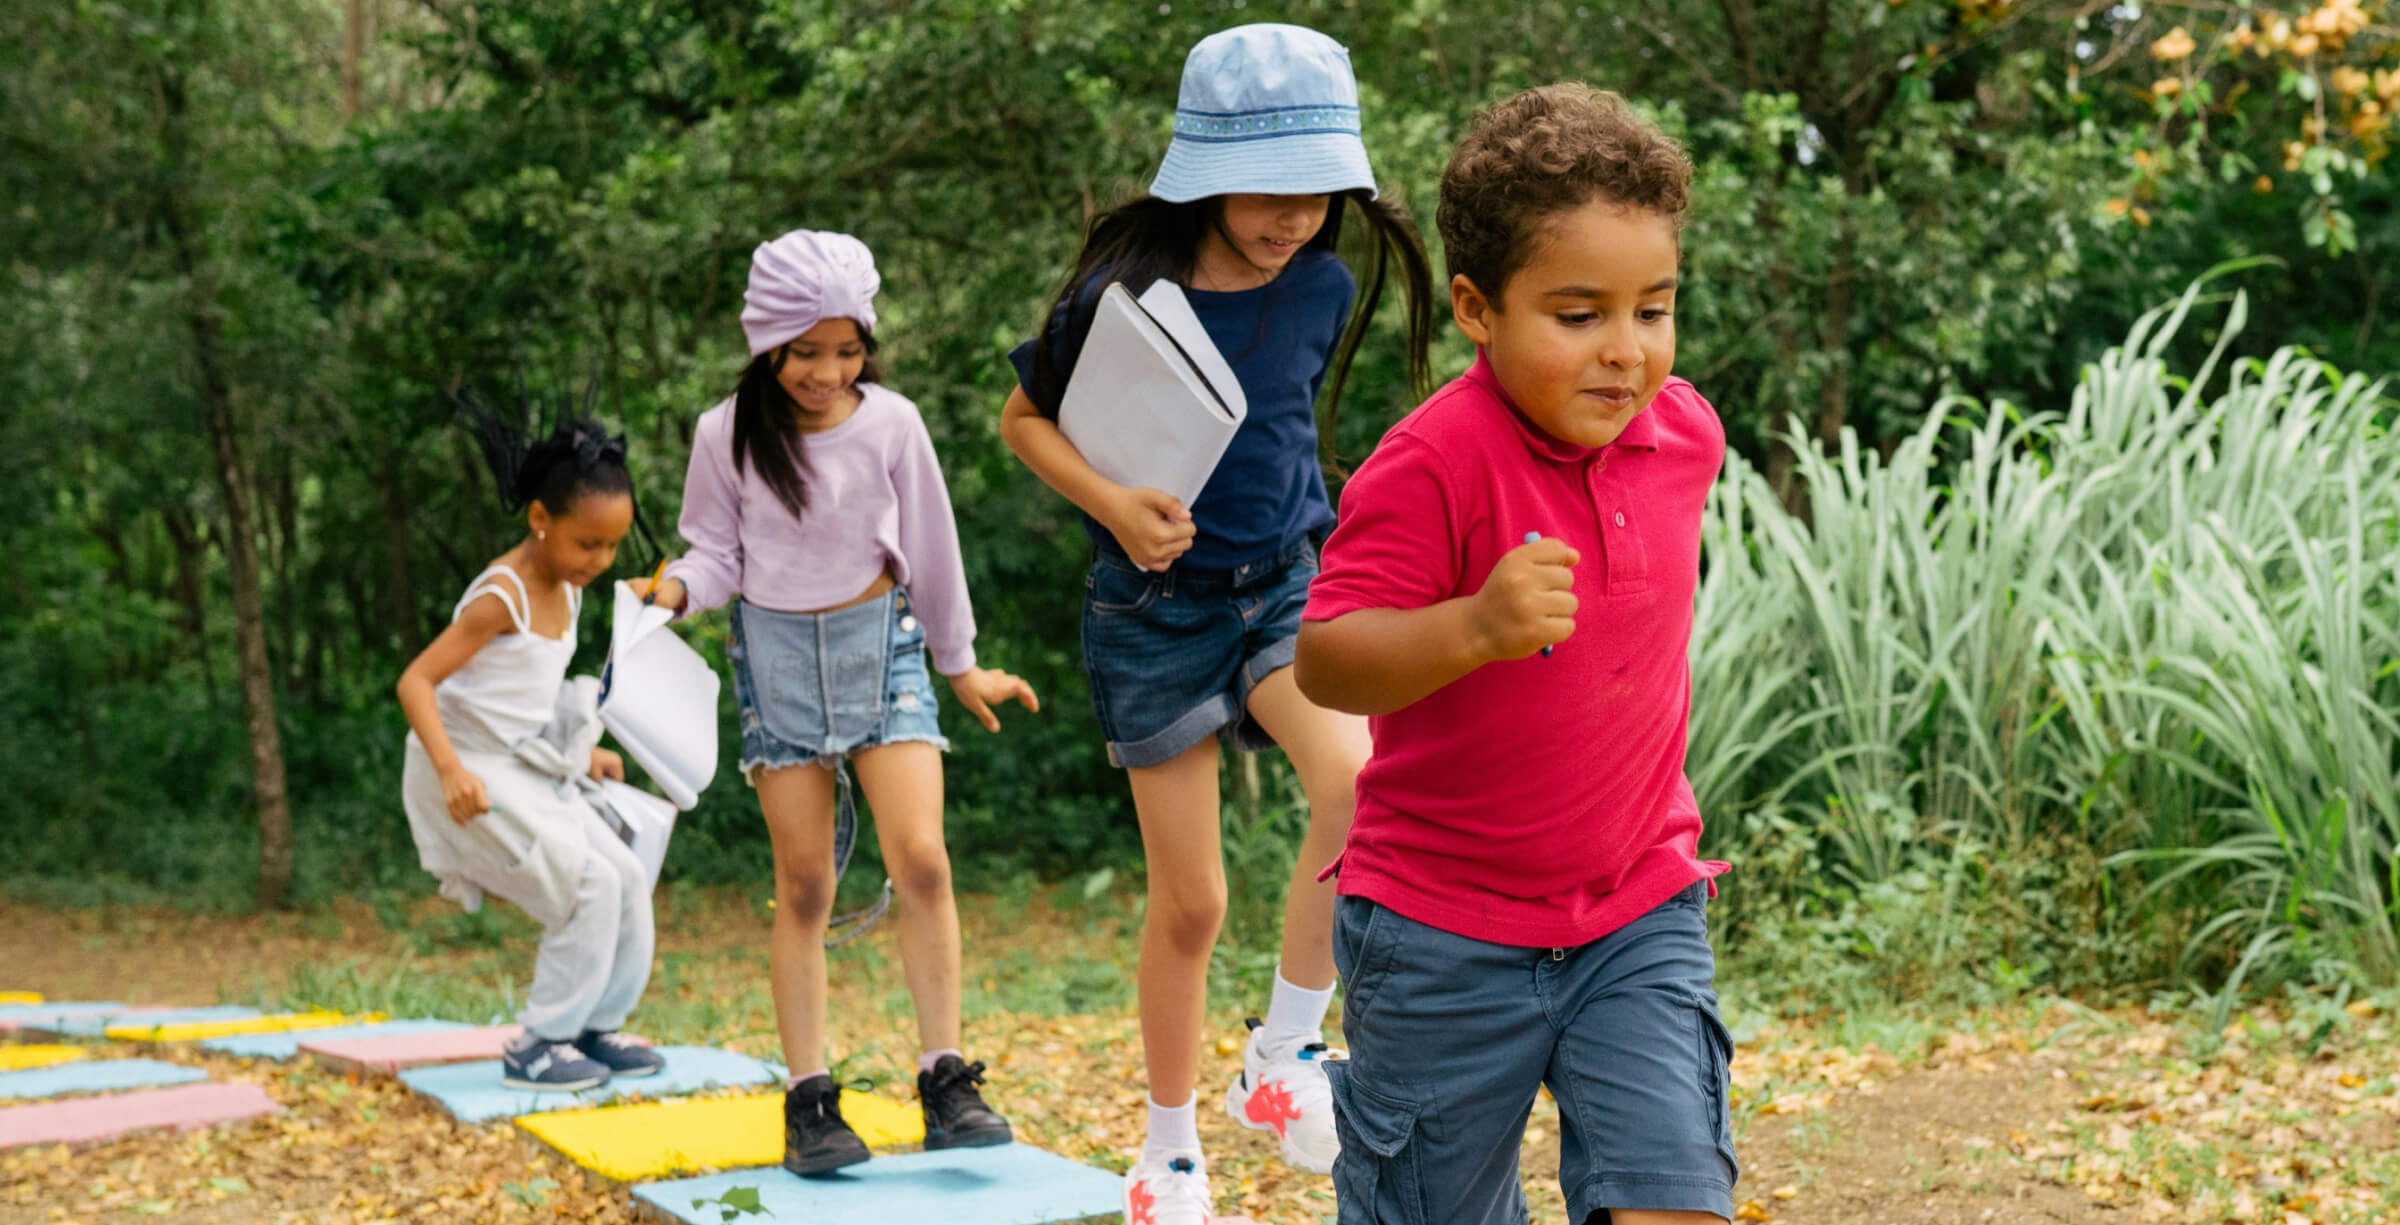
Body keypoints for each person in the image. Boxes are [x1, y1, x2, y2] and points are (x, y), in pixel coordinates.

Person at [997, 22, 1434, 1223]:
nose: (1295, 216)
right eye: (1269, 189)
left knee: (1359, 779)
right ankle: (1168, 1147)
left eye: (1318, 190)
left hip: (1284, 587)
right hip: (1151, 610)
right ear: (1203, 169)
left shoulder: (1324, 285)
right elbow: (1022, 423)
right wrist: (1116, 506)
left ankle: (1287, 1051)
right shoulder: (1119, 296)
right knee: (1192, 902)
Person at [1293, 84, 1738, 1225]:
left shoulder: (1686, 435)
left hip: (1636, 902)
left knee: (1674, 1197)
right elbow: (1328, 661)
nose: (1626, 353)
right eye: (1580, 315)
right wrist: (1474, 629)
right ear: (1477, 309)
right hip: (1441, 931)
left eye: (1655, 309)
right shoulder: (1432, 461)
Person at [640, 229, 1039, 1175]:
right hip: (773, 664)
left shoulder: (892, 424)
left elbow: (932, 552)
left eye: (848, 349)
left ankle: (946, 1079)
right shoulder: (723, 433)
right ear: (767, 343)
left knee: (924, 860)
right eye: (806, 351)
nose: (828, 370)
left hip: (884, 651)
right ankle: (811, 1100)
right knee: (806, 885)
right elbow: (715, 558)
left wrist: (962, 663)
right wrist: (671, 592)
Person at [396, 407, 666, 1093]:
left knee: (627, 874)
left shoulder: (568, 586)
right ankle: (539, 1042)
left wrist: (583, 756)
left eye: (611, 547)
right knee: (586, 882)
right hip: (464, 765)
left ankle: (594, 1025)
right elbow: (417, 681)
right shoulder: (503, 593)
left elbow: (524, 693)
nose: (599, 562)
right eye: (587, 544)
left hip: (525, 762)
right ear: (540, 518)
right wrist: (451, 769)